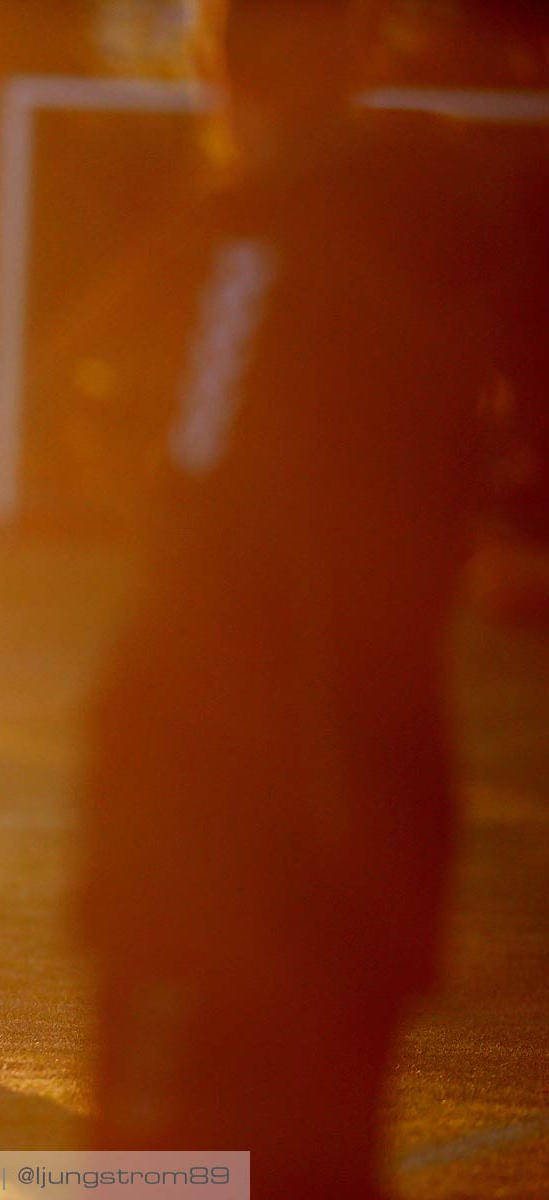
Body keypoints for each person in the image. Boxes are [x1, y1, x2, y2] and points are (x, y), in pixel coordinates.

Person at [79, 3, 537, 1195]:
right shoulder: (475, 215)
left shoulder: (265, 230)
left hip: (215, 815)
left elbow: (208, 520)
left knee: (157, 1166)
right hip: (384, 807)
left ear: (230, 73)